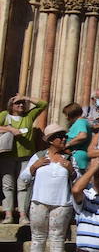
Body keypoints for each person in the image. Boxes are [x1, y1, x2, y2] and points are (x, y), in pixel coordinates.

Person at [19, 125, 74, 252]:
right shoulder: (38, 156)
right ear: (51, 140)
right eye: (60, 137)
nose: (64, 139)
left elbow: (78, 180)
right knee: (37, 237)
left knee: (57, 237)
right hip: (39, 201)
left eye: (65, 137)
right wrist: (34, 167)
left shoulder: (69, 158)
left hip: (62, 203)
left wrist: (71, 170)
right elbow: (24, 178)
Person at [1, 94, 48, 223]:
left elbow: (43, 104)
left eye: (23, 103)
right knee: (7, 186)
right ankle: (8, 214)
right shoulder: (5, 115)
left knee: (23, 185)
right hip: (7, 155)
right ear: (11, 105)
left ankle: (23, 214)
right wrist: (9, 129)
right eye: (18, 103)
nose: (21, 105)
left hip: (26, 156)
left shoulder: (28, 116)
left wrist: (26, 97)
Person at [62, 102, 93, 172]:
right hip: (76, 157)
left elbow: (83, 136)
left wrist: (67, 144)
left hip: (78, 158)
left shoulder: (81, 122)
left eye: (66, 115)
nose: (66, 118)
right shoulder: (78, 123)